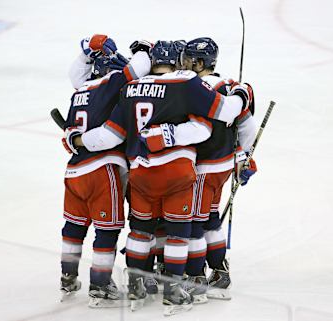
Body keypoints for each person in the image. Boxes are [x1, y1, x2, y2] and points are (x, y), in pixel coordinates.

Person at [65, 40, 253, 315]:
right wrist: (243, 97)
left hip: (140, 172)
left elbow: (111, 135)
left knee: (141, 229)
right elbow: (211, 124)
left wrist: (77, 139)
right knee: (182, 230)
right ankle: (182, 284)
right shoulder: (186, 82)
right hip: (179, 171)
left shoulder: (129, 88)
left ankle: (138, 284)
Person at [59, 34, 151, 308]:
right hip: (103, 170)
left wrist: (87, 53)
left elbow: (74, 72)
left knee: (73, 227)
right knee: (107, 230)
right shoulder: (111, 84)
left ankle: (67, 277)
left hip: (74, 173)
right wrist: (144, 47)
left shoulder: (79, 91)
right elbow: (140, 67)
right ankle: (99, 286)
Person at [178, 37, 258, 302]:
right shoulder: (229, 86)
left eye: (188, 58)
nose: (183, 62)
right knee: (210, 217)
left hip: (203, 167)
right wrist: (243, 157)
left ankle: (196, 276)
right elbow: (247, 126)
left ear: (200, 62)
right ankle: (220, 271)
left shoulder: (195, 88)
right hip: (223, 167)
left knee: (194, 223)